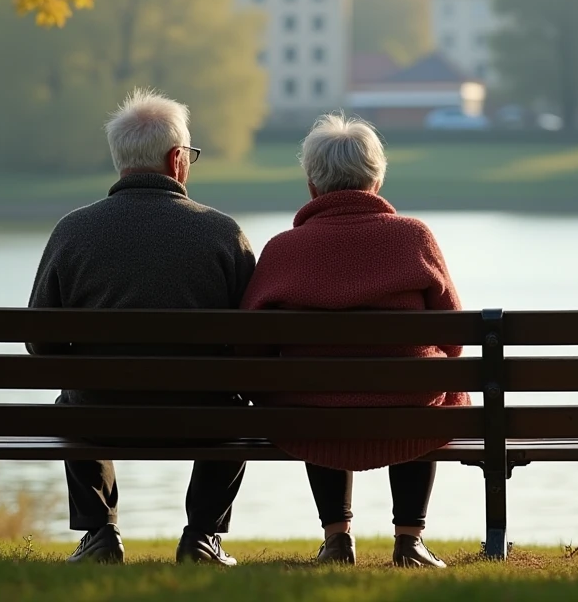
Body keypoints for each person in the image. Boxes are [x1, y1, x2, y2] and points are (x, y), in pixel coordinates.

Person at [27, 89, 256, 566]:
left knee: (71, 401)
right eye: (189, 156)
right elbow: (256, 343)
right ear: (176, 160)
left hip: (100, 414)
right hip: (205, 419)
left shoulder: (73, 230)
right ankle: (201, 536)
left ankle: (99, 533)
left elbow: (39, 339)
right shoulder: (222, 232)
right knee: (240, 406)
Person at [240, 113, 469, 569]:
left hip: (311, 414)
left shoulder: (283, 249)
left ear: (311, 184)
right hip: (408, 410)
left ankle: (336, 539)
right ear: (376, 178)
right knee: (433, 385)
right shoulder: (413, 238)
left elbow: (252, 348)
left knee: (313, 390)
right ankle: (410, 539)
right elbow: (454, 337)